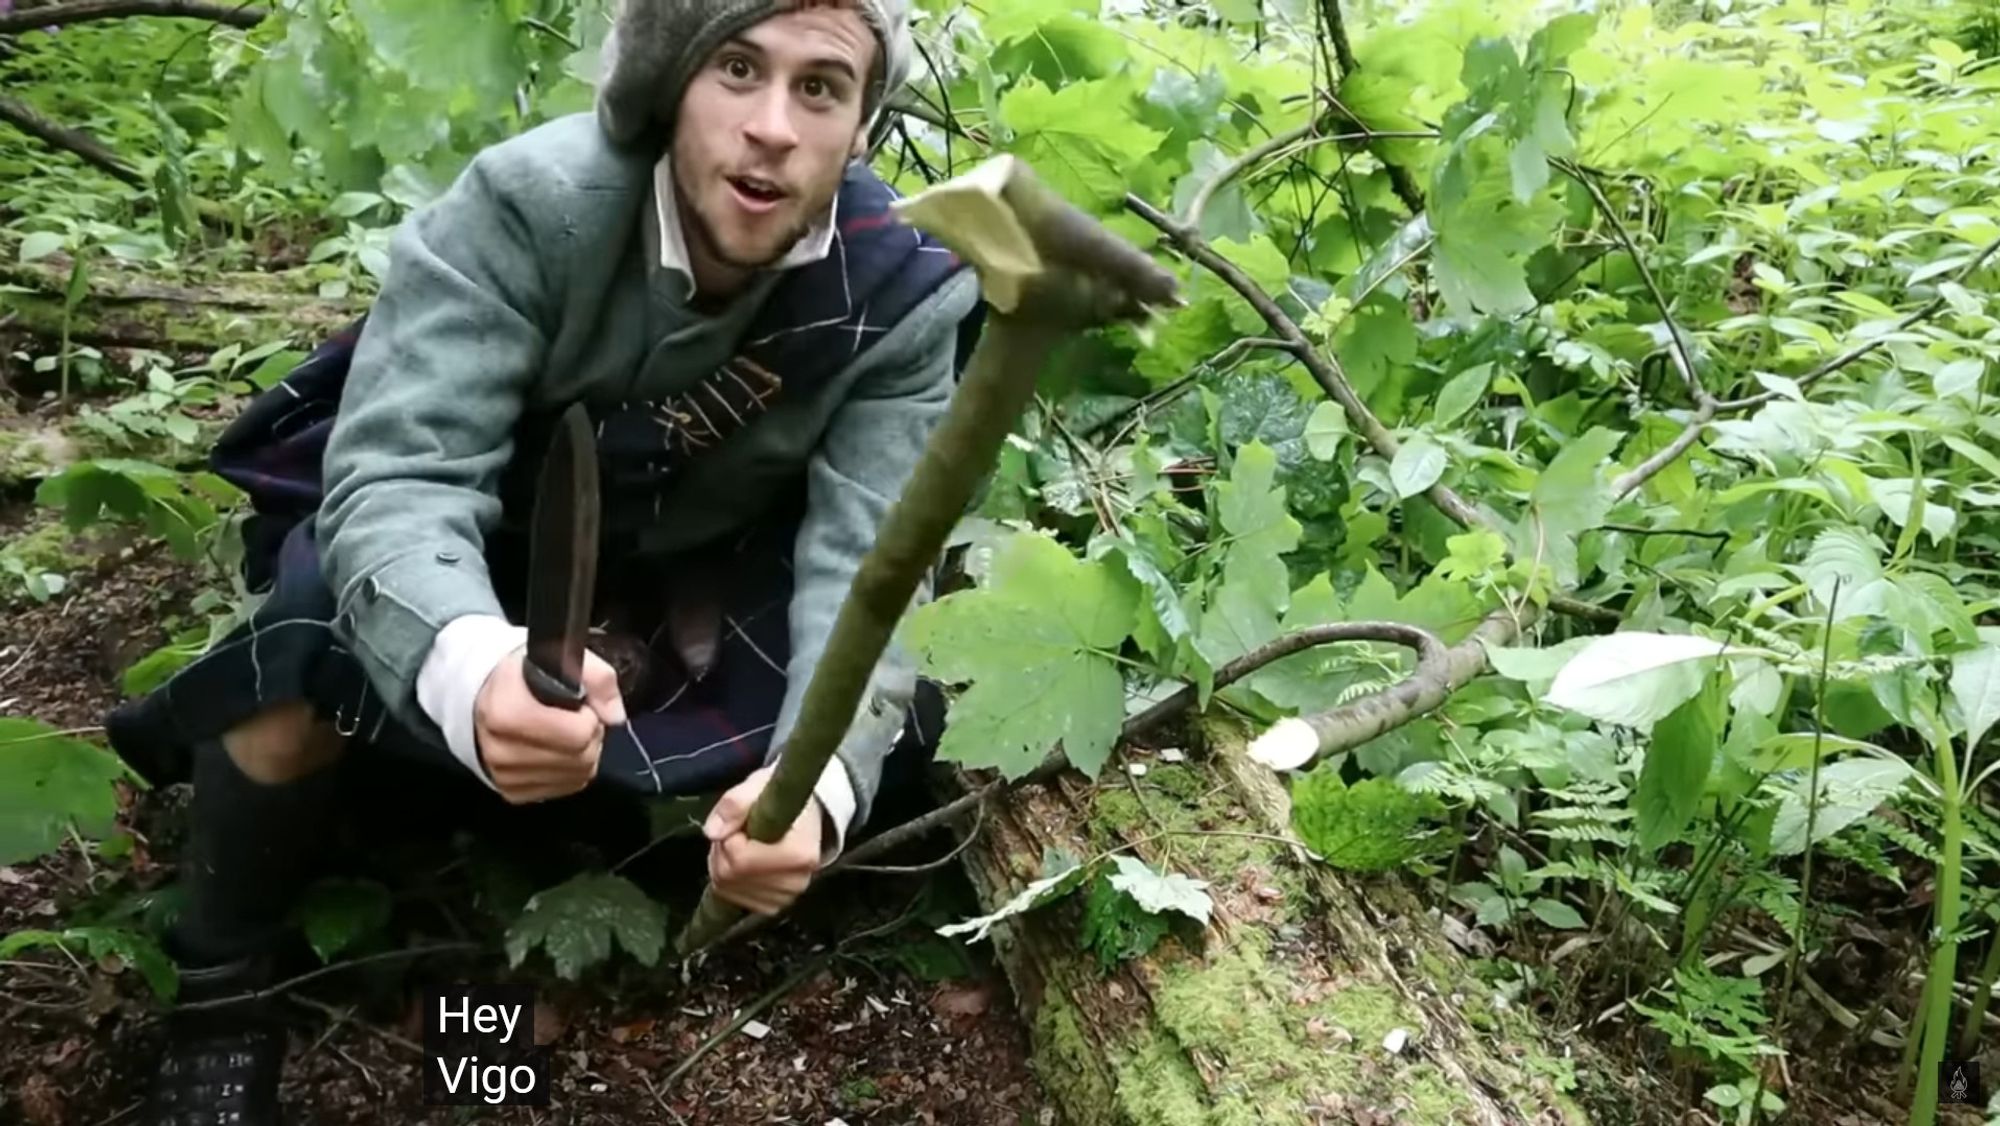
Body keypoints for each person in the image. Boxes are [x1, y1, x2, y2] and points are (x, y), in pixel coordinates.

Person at [101, 0, 983, 1121]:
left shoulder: (899, 288)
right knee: (301, 646)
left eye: (819, 86)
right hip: (482, 546)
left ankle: (566, 855)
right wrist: (472, 668)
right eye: (735, 68)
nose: (771, 126)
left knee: (889, 727)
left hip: (704, 580)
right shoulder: (530, 201)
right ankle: (223, 987)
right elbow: (401, 480)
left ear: (860, 121)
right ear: (668, 83)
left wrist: (811, 788)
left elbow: (871, 566)